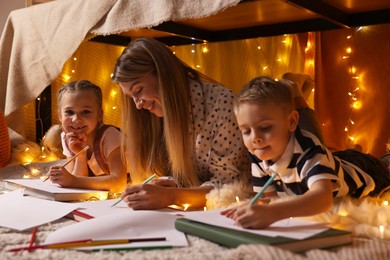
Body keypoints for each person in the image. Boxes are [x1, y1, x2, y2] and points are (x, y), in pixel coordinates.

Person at [222, 76, 390, 229]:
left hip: (371, 175)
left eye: (265, 128)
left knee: (381, 164)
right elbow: (272, 198)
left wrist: (272, 212)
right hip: (333, 162)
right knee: (336, 159)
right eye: (246, 131)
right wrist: (255, 205)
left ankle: (377, 158)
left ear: (292, 121)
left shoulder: (308, 151)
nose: (255, 138)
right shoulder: (259, 152)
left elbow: (323, 198)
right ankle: (354, 151)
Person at [112, 38, 251, 210]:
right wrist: (168, 185)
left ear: (164, 75)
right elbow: (188, 179)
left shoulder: (222, 104)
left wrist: (172, 196)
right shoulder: (157, 115)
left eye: (139, 90)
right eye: (130, 97)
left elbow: (229, 187)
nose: (138, 105)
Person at [47, 80, 127, 193]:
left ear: (100, 115)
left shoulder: (110, 136)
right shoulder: (67, 137)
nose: (76, 119)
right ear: (60, 116)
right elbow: (77, 182)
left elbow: (119, 183)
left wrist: (73, 181)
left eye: (85, 112)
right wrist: (80, 155)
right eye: (69, 112)